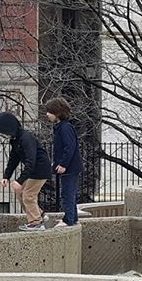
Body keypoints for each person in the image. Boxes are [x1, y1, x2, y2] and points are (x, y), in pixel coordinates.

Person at [0, 111, 52, 231]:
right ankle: (40, 214)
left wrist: (20, 180)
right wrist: (6, 176)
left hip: (40, 169)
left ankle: (36, 222)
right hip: (33, 170)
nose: (4, 135)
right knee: (20, 192)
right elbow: (13, 159)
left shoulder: (26, 138)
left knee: (28, 195)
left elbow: (31, 161)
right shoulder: (15, 140)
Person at [45, 97, 83, 228]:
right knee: (69, 193)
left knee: (67, 193)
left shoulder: (65, 128)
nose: (47, 114)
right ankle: (72, 218)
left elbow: (69, 147)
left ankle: (68, 220)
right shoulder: (63, 127)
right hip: (70, 167)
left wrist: (63, 164)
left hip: (69, 168)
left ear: (57, 112)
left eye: (49, 111)